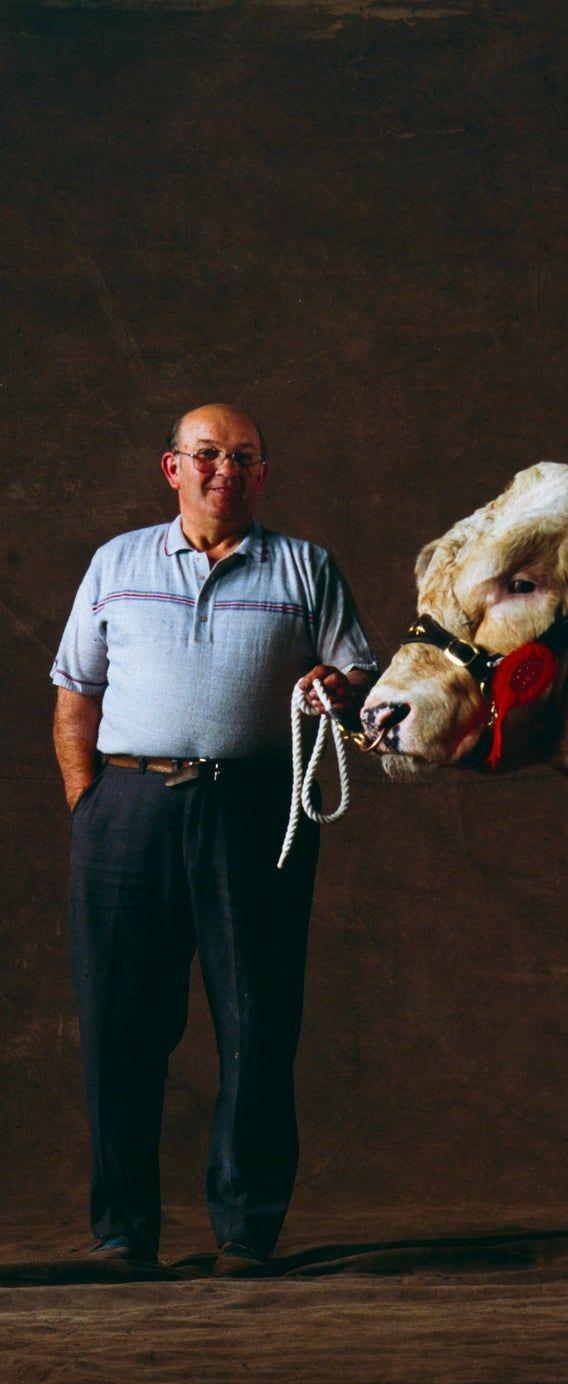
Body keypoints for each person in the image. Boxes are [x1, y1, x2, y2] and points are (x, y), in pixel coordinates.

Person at [50, 404, 376, 1274]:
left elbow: (360, 673)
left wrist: (335, 685)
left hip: (258, 808)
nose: (222, 470)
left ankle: (245, 1231)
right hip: (128, 809)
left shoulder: (305, 567)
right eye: (206, 455)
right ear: (172, 468)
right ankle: (123, 1234)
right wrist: (89, 802)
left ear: (262, 475)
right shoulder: (115, 564)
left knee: (257, 1020)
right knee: (120, 1027)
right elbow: (76, 695)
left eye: (242, 458)